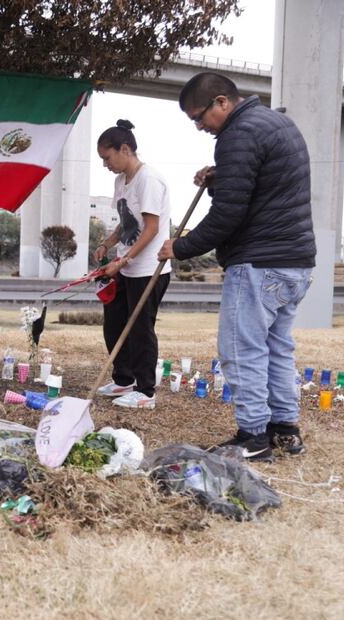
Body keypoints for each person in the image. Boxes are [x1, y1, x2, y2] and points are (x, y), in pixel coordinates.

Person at [157, 72, 315, 461]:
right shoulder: (276, 122)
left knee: (241, 350)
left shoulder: (237, 135)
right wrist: (219, 177)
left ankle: (254, 436)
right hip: (296, 261)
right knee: (277, 348)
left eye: (199, 117)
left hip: (259, 262)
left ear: (223, 102)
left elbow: (228, 215)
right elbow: (263, 187)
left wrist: (181, 246)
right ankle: (284, 429)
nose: (199, 127)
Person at [92, 119, 173, 410]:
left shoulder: (148, 179)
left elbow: (151, 228)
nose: (106, 164)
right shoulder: (120, 182)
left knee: (140, 329)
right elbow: (125, 224)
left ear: (124, 149)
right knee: (114, 324)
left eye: (107, 157)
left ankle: (146, 391)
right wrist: (106, 245)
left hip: (149, 268)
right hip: (125, 266)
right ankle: (123, 379)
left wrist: (124, 259)